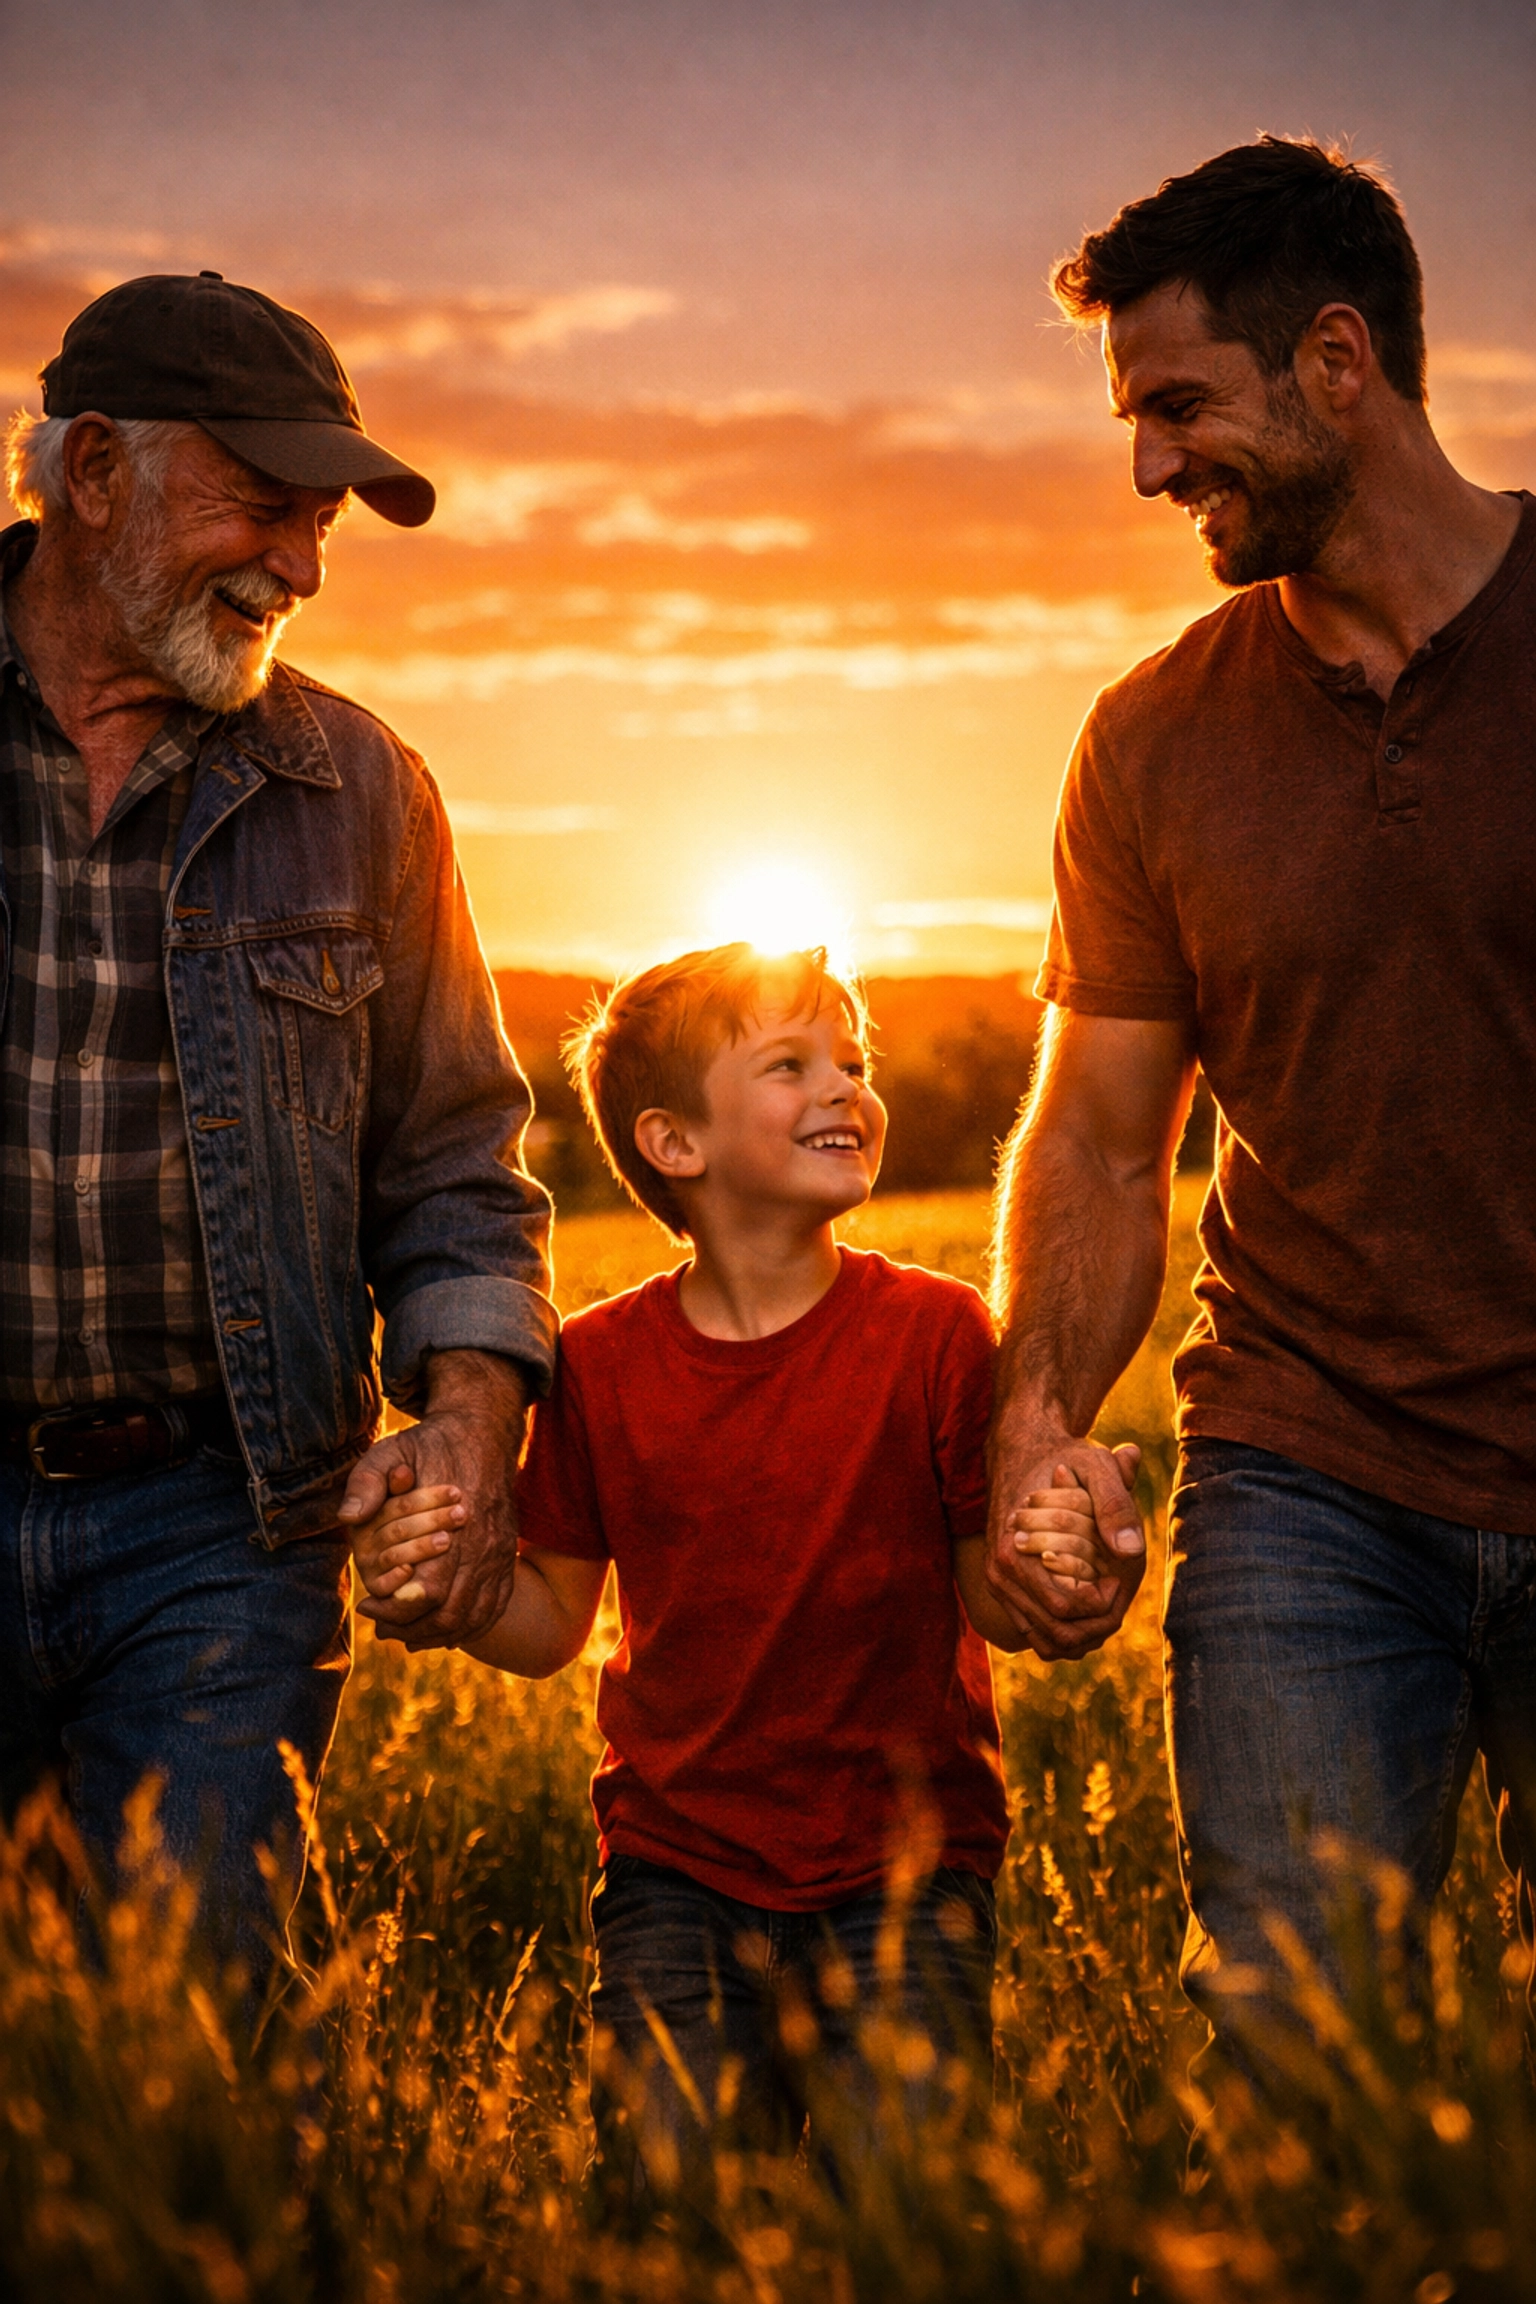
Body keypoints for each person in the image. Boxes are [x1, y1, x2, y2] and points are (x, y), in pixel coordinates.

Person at [984, 134, 1536, 2071]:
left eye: (1178, 406)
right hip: (1310, 1485)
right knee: (1303, 2084)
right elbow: (1098, 1141)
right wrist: (1031, 1426)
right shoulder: (1149, 741)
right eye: (1136, 419)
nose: (1148, 466)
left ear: (1335, 364)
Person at [353, 941, 1119, 2207]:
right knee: (674, 2218)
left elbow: (993, 1595)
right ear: (674, 1143)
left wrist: (1058, 1550)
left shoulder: (934, 1334)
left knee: (912, 2221)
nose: (848, 1089)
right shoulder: (598, 1365)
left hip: (910, 1879)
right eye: (792, 1064)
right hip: (674, 1879)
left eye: (854, 1063)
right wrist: (446, 1586)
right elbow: (549, 1624)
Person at [0, 272, 556, 1975]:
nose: (302, 573)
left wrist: (470, 1423)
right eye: (263, 506)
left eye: (322, 527)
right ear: (96, 471)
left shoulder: (361, 790)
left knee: (208, 2050)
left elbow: (460, 1165)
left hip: (217, 1522)